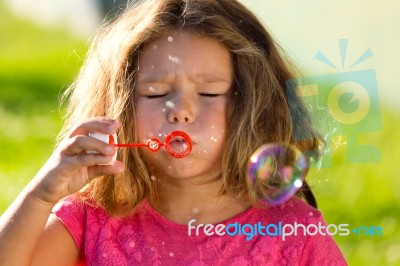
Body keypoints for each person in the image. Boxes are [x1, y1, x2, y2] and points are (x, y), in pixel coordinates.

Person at [0, 0, 348, 265]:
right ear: (118, 105)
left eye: (209, 92)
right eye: (155, 93)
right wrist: (41, 196)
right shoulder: (92, 219)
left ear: (250, 105)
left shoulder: (291, 232)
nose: (180, 110)